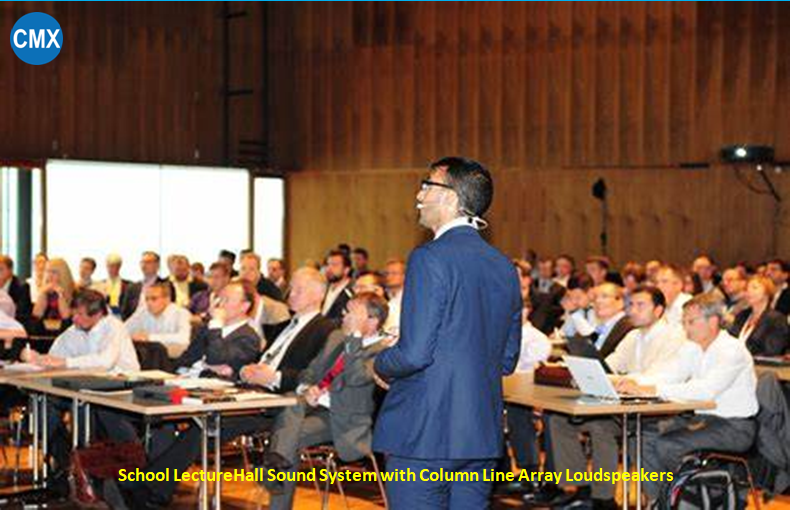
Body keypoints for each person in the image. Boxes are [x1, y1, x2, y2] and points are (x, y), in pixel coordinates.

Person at [373, 157, 522, 509]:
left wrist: (379, 363)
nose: (418, 195)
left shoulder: (430, 257)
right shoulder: (504, 266)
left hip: (426, 431)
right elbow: (507, 359)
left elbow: (414, 354)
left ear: (452, 199)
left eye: (428, 185)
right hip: (479, 433)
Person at [549, 285, 695, 509]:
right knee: (558, 419)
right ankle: (581, 488)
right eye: (631, 305)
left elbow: (659, 377)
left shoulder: (674, 337)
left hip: (662, 411)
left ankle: (604, 499)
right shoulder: (633, 336)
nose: (633, 310)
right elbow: (611, 367)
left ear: (658, 310)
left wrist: (619, 381)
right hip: (628, 407)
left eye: (640, 305)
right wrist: (590, 375)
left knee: (600, 427)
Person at [617, 293, 759, 501]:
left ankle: (693, 500)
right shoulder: (692, 347)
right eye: (683, 322)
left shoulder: (732, 350)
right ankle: (661, 501)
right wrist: (630, 382)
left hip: (735, 427)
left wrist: (652, 390)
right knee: (642, 437)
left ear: (713, 321)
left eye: (691, 321)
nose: (685, 327)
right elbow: (668, 374)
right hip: (703, 420)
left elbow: (705, 390)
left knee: (668, 445)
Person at [264, 292, 393, 510]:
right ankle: (275, 481)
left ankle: (273, 482)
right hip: (310, 406)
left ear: (372, 320)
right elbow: (309, 372)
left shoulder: (383, 351)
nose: (344, 315)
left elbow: (355, 377)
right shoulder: (336, 338)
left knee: (286, 436)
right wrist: (308, 388)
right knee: (290, 404)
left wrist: (355, 338)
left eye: (351, 312)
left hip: (342, 420)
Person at [124, 282, 192, 358]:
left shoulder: (181, 313)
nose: (149, 303)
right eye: (147, 299)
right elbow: (123, 330)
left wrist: (150, 338)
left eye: (154, 299)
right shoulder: (142, 312)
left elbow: (183, 338)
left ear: (167, 299)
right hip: (147, 357)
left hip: (172, 360)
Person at [728, 275, 788, 356]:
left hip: (761, 366)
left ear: (767, 292)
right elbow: (730, 341)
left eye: (754, 288)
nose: (749, 291)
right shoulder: (742, 315)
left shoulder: (776, 319)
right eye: (747, 289)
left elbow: (772, 350)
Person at [30, 258, 75, 336]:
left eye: (54, 272)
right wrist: (42, 294)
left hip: (65, 335)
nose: (49, 275)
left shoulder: (75, 292)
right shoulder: (43, 292)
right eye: (47, 271)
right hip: (43, 335)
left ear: (63, 274)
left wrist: (60, 295)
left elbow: (67, 319)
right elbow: (36, 318)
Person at [120, 251, 170, 320]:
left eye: (148, 262)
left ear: (157, 265)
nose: (144, 265)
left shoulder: (165, 285)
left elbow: (168, 310)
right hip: (134, 325)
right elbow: (124, 311)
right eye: (142, 262)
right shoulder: (132, 287)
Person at [321, 249, 354, 322]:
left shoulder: (352, 292)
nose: (329, 268)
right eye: (327, 264)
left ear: (346, 270)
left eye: (334, 265)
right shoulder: (322, 288)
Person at [0, 255, 32, 326]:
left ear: (10, 270)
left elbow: (21, 315)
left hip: (13, 326)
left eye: (1, 269)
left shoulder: (22, 287)